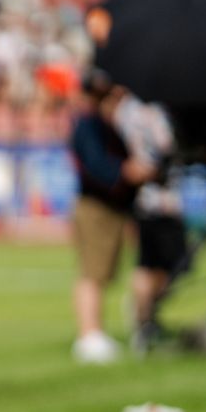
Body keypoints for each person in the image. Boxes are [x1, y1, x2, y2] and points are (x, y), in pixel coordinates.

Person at [68, 69, 153, 363]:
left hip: (112, 206)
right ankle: (89, 335)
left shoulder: (108, 124)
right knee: (93, 272)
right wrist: (128, 172)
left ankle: (93, 334)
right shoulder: (88, 124)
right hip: (96, 206)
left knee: (102, 272)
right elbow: (98, 167)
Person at [113, 91, 186, 355]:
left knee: (152, 263)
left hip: (145, 198)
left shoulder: (124, 110)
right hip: (160, 199)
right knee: (165, 262)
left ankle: (146, 317)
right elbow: (166, 145)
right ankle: (143, 315)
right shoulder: (154, 112)